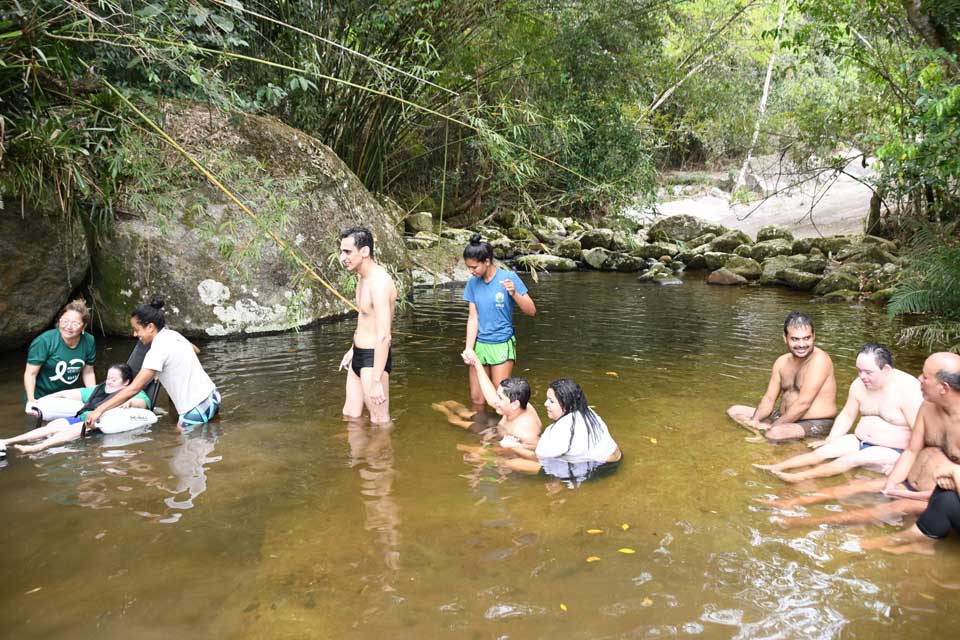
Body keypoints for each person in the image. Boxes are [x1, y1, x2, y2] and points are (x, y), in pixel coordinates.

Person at [754, 343, 922, 482]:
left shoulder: (908, 389)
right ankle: (775, 467)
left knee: (850, 460)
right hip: (859, 440)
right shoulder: (859, 384)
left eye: (868, 372)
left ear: (886, 369)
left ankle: (799, 477)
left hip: (892, 450)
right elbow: (848, 414)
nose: (862, 376)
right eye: (859, 370)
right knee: (821, 452)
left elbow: (922, 434)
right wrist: (830, 439)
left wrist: (905, 465)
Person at [857, 352, 960, 554]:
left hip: (934, 494)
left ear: (944, 388)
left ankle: (901, 542)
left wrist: (953, 474)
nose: (919, 379)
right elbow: (912, 450)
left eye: (925, 376)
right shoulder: (928, 406)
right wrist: (892, 484)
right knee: (860, 486)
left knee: (922, 503)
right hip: (930, 489)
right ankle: (799, 514)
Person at [83, 298, 220, 430]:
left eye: (137, 330)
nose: (134, 334)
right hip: (212, 397)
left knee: (181, 446)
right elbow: (195, 350)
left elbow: (134, 388)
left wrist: (99, 410)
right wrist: (160, 370)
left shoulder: (156, 351)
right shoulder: (173, 334)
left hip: (196, 409)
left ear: (150, 327)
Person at [727, 311, 837, 441]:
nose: (801, 345)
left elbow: (804, 404)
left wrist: (772, 427)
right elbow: (769, 399)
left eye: (806, 338)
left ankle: (767, 434)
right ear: (785, 338)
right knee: (735, 411)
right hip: (783, 417)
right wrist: (755, 421)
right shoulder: (781, 362)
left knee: (774, 433)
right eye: (795, 339)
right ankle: (758, 433)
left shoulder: (820, 360)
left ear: (814, 336)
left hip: (815, 422)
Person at [496, 378, 622, 487]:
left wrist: (514, 447)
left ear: (566, 405)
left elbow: (540, 459)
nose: (545, 404)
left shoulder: (563, 429)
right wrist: (521, 446)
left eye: (551, 401)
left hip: (597, 468)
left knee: (512, 463)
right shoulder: (586, 411)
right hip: (616, 457)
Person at [5, 364, 149, 453]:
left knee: (69, 431)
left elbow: (143, 402)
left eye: (114, 379)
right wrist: (39, 400)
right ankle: (8, 441)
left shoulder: (132, 392)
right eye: (108, 378)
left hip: (94, 423)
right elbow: (66, 394)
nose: (109, 382)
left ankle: (36, 447)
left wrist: (130, 403)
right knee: (53, 426)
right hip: (82, 417)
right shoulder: (99, 389)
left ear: (126, 382)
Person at [462, 234, 536, 407]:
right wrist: (468, 348)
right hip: (480, 344)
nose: (471, 271)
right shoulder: (472, 283)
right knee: (477, 400)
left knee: (500, 400)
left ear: (487, 261)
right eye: (468, 267)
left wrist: (514, 294)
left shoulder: (508, 278)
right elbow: (473, 318)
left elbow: (531, 311)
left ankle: (501, 432)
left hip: (502, 343)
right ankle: (479, 432)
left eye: (474, 267)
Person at [337, 227, 398, 424]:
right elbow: (365, 319)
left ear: (364, 251)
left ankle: (382, 455)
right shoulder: (362, 278)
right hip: (359, 353)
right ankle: (357, 456)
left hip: (374, 360)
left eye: (347, 252)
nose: (342, 257)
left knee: (380, 422)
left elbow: (384, 335)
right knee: (351, 417)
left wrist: (377, 380)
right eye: (341, 251)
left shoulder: (380, 283)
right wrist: (352, 349)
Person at [437, 347, 541, 446]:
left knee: (455, 421)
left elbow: (534, 454)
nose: (496, 401)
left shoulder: (526, 433)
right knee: (466, 415)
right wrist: (476, 363)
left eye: (500, 398)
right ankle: (457, 409)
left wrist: (513, 447)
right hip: (498, 426)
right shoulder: (516, 403)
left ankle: (447, 412)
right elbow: (492, 396)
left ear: (515, 404)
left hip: (500, 431)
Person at [23, 298, 96, 410]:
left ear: (84, 326)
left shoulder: (89, 341)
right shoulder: (44, 341)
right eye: (65, 321)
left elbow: (88, 372)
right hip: (41, 398)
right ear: (59, 320)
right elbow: (30, 373)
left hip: (68, 397)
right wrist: (31, 400)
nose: (68, 327)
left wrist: (93, 396)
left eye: (75, 323)